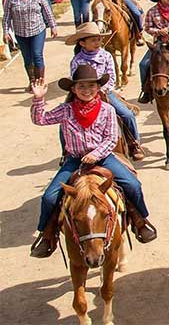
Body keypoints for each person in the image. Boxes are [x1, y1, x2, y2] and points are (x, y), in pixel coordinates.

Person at [28, 66, 157, 258]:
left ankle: (141, 221)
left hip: (103, 159)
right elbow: (40, 119)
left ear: (98, 88)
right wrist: (39, 98)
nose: (86, 90)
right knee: (48, 197)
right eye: (81, 86)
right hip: (75, 161)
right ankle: (47, 235)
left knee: (133, 184)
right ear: (73, 89)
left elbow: (112, 138)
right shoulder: (66, 110)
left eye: (91, 86)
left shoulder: (107, 110)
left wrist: (96, 154)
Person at [68, 22, 145, 160]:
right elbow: (75, 78)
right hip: (81, 94)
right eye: (93, 40)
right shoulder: (76, 60)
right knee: (65, 119)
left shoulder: (106, 56)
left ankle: (134, 144)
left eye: (98, 39)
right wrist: (84, 92)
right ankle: (66, 153)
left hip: (104, 91)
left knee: (127, 115)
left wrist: (100, 90)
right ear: (82, 43)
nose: (98, 42)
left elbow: (111, 77)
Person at [5, 0, 57, 89]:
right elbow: (7, 17)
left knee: (37, 55)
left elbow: (47, 12)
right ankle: (32, 80)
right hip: (20, 33)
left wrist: (53, 26)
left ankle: (40, 80)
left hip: (37, 30)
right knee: (27, 58)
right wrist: (6, 31)